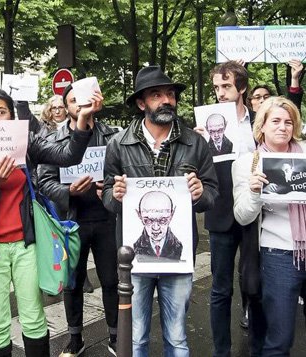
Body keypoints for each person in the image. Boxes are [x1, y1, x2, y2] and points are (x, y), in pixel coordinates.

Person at [0, 87, 96, 357]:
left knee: (33, 318)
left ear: (11, 115)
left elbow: (68, 156)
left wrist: (83, 120)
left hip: (26, 245)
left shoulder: (24, 142)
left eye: (1, 112)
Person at [102, 66, 218, 357]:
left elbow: (212, 192)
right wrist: (115, 195)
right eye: (157, 95)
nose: (166, 100)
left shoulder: (195, 142)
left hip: (178, 256)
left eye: (170, 94)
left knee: (177, 338)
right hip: (134, 258)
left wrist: (200, 194)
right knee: (136, 337)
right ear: (142, 103)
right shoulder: (118, 144)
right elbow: (107, 197)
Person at [37, 82, 121, 356]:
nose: (79, 105)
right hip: (71, 223)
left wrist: (111, 185)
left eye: (82, 99)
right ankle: (75, 338)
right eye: (73, 101)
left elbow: (124, 170)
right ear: (66, 107)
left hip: (107, 219)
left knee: (111, 281)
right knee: (72, 282)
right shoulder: (54, 140)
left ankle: (115, 335)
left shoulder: (112, 135)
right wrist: (68, 191)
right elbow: (44, 181)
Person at [233, 96, 305, 356]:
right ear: (262, 125)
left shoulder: (305, 155)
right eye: (275, 121)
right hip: (278, 256)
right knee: (280, 338)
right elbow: (242, 216)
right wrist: (254, 192)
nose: (282, 127)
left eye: (288, 122)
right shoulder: (247, 163)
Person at [199, 61, 257, 354]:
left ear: (241, 87)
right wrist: (197, 145)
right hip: (220, 214)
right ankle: (221, 351)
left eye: (226, 86)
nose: (220, 93)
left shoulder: (259, 121)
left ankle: (258, 345)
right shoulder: (206, 124)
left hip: (255, 215)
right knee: (220, 289)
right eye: (216, 87)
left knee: (254, 284)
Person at [132, 191, 184, 261]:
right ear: (139, 216)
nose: (156, 228)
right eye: (148, 221)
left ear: (171, 215)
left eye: (163, 220)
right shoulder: (136, 246)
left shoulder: (177, 246)